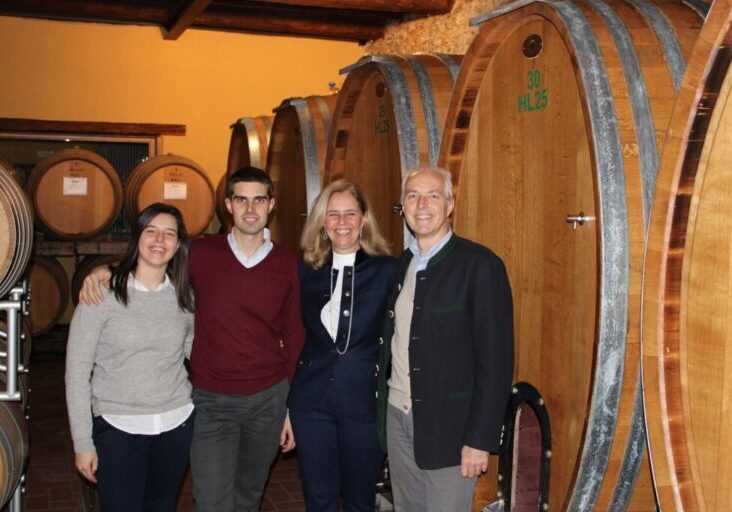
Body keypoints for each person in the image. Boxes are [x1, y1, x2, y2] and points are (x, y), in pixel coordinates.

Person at [80, 167, 305, 512]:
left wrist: (290, 407)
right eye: (240, 199)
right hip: (212, 401)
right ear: (228, 204)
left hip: (268, 400)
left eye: (258, 199)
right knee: (211, 500)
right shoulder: (200, 253)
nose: (249, 208)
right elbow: (152, 262)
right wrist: (106, 271)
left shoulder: (290, 262)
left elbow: (294, 335)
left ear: (271, 205)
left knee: (248, 496)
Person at [376, 166, 514, 511]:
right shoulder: (404, 262)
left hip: (451, 429)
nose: (421, 204)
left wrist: (479, 440)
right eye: (412, 196)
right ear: (403, 206)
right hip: (398, 417)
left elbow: (496, 362)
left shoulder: (480, 265)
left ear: (450, 205)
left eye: (433, 195)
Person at [66, 202, 195, 512]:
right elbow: (76, 374)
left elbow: (196, 351)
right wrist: (83, 443)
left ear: (178, 245)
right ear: (137, 237)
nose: (159, 241)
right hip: (118, 427)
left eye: (169, 234)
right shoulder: (101, 296)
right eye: (151, 231)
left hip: (176, 424)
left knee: (161, 507)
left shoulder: (185, 297)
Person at [288, 180, 397, 511]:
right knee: (318, 499)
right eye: (333, 214)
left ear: (364, 219)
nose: (342, 222)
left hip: (364, 402)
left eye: (351, 213)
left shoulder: (388, 270)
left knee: (359, 500)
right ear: (322, 221)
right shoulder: (306, 269)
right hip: (311, 403)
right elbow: (292, 333)